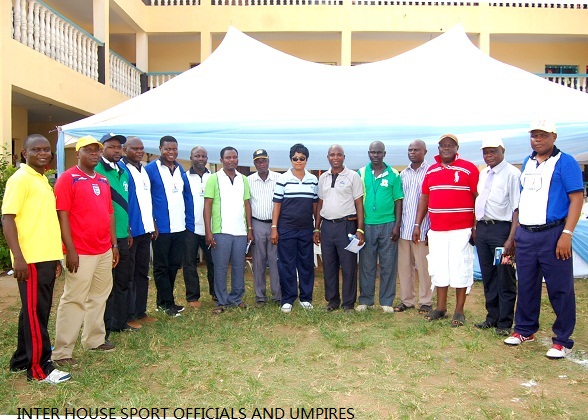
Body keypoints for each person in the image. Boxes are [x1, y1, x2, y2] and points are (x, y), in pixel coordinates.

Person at [504, 119, 583, 359]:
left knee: (560, 288)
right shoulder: (527, 162)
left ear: (553, 137)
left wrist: (566, 234)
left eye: (543, 135)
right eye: (534, 135)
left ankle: (562, 340)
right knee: (527, 284)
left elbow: (577, 199)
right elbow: (523, 200)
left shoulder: (565, 162)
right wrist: (516, 234)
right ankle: (524, 329)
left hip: (554, 233)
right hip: (527, 234)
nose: (538, 140)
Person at [2, 134, 71, 384]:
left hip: (46, 257)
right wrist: (18, 258)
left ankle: (22, 359)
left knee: (34, 311)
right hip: (30, 259)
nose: (43, 153)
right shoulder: (20, 179)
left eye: (46, 149)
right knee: (35, 315)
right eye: (36, 150)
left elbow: (43, 221)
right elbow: (7, 218)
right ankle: (39, 369)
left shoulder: (41, 179)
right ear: (25, 153)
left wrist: (55, 258)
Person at [52, 136, 119, 366]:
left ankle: (94, 340)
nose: (94, 154)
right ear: (78, 153)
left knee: (99, 297)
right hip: (80, 252)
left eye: (96, 150)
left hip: (103, 249)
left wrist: (114, 245)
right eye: (88, 150)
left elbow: (109, 213)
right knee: (74, 299)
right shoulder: (68, 178)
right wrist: (69, 250)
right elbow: (62, 216)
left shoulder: (102, 179)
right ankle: (62, 352)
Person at [413, 134, 479, 327]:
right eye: (443, 145)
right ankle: (441, 308)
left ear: (457, 148)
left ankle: (459, 311)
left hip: (462, 229)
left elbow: (477, 197)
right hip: (437, 230)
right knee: (439, 268)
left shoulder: (469, 168)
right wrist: (417, 224)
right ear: (438, 149)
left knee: (460, 268)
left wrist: (475, 225)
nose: (447, 148)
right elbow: (425, 198)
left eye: (451, 145)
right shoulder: (431, 171)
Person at [473, 137, 520, 337]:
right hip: (484, 230)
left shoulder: (513, 174)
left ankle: (505, 322)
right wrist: (475, 227)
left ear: (503, 151)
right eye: (485, 152)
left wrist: (511, 239)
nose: (489, 155)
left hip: (503, 232)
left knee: (505, 275)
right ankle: (492, 317)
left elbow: (517, 209)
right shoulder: (484, 173)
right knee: (489, 275)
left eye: (493, 151)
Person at [145, 135, 194, 317]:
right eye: (167, 149)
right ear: (160, 149)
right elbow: (146, 198)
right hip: (161, 228)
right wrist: (153, 222)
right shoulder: (150, 169)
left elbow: (185, 195)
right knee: (161, 267)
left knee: (173, 265)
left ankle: (165, 301)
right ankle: (166, 304)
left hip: (179, 226)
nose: (171, 152)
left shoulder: (180, 168)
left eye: (174, 149)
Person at [314, 144, 365, 312]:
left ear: (344, 157)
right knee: (329, 265)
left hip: (346, 226)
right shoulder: (323, 178)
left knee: (349, 266)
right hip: (327, 226)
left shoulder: (353, 176)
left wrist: (360, 229)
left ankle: (348, 303)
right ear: (328, 157)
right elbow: (320, 203)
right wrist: (317, 228)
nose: (335, 158)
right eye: (332, 155)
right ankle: (332, 301)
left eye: (339, 154)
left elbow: (359, 204)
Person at [204, 147, 253, 314]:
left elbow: (247, 204)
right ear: (221, 160)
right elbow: (207, 205)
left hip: (240, 231)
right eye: (228, 157)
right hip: (221, 230)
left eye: (234, 157)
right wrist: (209, 231)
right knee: (221, 267)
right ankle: (222, 300)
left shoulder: (243, 179)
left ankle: (236, 298)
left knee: (239, 266)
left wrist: (249, 228)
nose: (232, 160)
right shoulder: (214, 178)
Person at [95, 133, 136, 334]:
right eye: (111, 147)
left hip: (122, 234)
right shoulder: (96, 170)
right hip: (104, 237)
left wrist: (127, 230)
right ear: (102, 148)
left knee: (123, 279)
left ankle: (120, 322)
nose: (116, 150)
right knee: (106, 283)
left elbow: (124, 205)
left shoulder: (123, 171)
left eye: (119, 147)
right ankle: (105, 325)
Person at [271, 144, 318, 314]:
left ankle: (305, 298)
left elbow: (315, 206)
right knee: (286, 264)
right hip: (287, 228)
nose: (299, 161)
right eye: (295, 158)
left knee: (306, 264)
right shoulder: (283, 179)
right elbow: (277, 204)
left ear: (307, 160)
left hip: (306, 229)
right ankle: (288, 299)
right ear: (291, 159)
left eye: (302, 158)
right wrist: (274, 227)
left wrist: (316, 228)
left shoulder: (313, 180)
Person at [357, 141, 403, 313]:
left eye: (379, 152)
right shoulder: (361, 173)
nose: (375, 155)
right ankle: (366, 300)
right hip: (367, 224)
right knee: (366, 264)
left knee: (388, 264)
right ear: (369, 153)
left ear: (384, 153)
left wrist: (397, 225)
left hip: (388, 224)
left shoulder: (394, 174)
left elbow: (398, 200)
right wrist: (359, 227)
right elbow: (357, 199)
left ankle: (386, 301)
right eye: (372, 152)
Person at [122, 136, 158, 325]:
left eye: (141, 148)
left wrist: (153, 223)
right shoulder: (122, 169)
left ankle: (140, 311)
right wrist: (126, 228)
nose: (139, 151)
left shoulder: (143, 169)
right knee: (128, 274)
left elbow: (147, 199)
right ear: (125, 150)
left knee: (142, 272)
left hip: (145, 228)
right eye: (134, 148)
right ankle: (128, 315)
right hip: (131, 231)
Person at [397, 140, 433, 314]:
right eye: (410, 150)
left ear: (425, 151)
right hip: (404, 229)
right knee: (404, 267)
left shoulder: (431, 172)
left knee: (424, 267)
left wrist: (428, 227)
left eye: (416, 150)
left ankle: (426, 301)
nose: (413, 152)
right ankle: (407, 300)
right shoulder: (403, 174)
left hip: (423, 229)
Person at [248, 149, 281, 307]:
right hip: (258, 223)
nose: (261, 164)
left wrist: (277, 226)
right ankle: (260, 296)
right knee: (259, 261)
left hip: (275, 224)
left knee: (275, 260)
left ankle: (278, 295)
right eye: (258, 161)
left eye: (264, 161)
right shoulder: (249, 180)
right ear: (254, 164)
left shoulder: (278, 178)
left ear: (268, 161)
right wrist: (250, 228)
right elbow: (247, 204)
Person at [183, 146, 215, 308]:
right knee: (189, 263)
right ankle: (192, 297)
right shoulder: (184, 177)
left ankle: (216, 293)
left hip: (211, 227)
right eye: (197, 156)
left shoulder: (214, 177)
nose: (200, 159)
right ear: (191, 158)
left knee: (213, 262)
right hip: (190, 227)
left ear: (207, 159)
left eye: (203, 156)